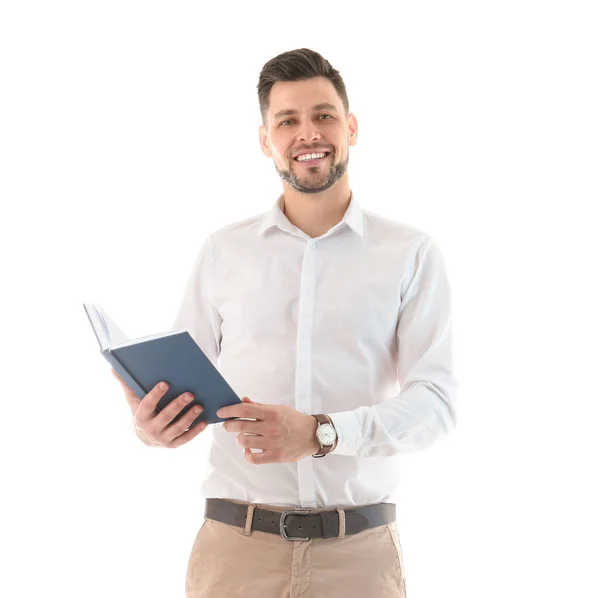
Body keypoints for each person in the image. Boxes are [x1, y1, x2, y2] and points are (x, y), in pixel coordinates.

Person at [113, 47, 457, 598]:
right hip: (235, 552)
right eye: (287, 120)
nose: (308, 133)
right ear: (265, 140)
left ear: (351, 127)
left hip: (359, 557)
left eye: (323, 115)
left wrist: (321, 433)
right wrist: (153, 426)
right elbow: (185, 386)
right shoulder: (224, 251)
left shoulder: (410, 253)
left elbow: (436, 406)